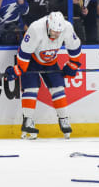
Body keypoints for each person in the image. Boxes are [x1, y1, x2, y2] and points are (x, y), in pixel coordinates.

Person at [5, 11, 82, 140]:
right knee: (31, 88)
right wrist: (20, 69)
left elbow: (75, 47)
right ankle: (28, 120)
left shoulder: (67, 27)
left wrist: (73, 64)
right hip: (31, 60)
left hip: (51, 60)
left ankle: (64, 119)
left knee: (58, 88)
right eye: (54, 32)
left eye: (59, 32)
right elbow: (24, 52)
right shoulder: (36, 28)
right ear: (48, 26)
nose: (57, 35)